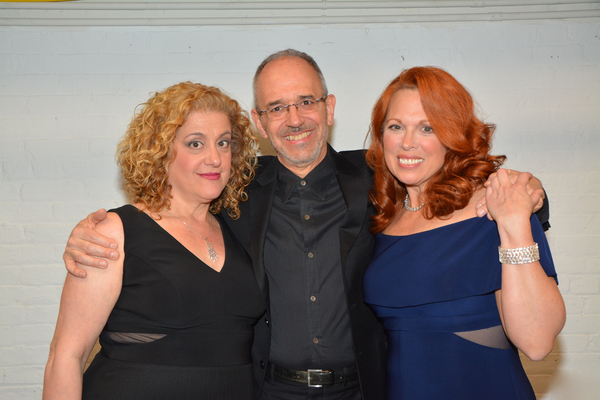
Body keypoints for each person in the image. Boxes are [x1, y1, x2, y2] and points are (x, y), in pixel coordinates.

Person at [60, 50, 549, 400]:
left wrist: (529, 196)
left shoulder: (381, 177)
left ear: (329, 108)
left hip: (365, 387)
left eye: (306, 102)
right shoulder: (231, 191)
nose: (294, 118)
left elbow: (455, 185)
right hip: (268, 389)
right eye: (277, 107)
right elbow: (168, 219)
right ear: (258, 122)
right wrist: (90, 233)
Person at [43, 82, 265, 399]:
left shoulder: (240, 227)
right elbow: (65, 357)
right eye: (195, 144)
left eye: (224, 143)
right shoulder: (115, 232)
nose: (215, 158)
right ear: (161, 152)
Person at [362, 66, 566, 400]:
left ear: (451, 136)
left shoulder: (495, 206)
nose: (408, 142)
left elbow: (538, 342)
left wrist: (514, 221)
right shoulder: (384, 216)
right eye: (396, 126)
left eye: (427, 128)